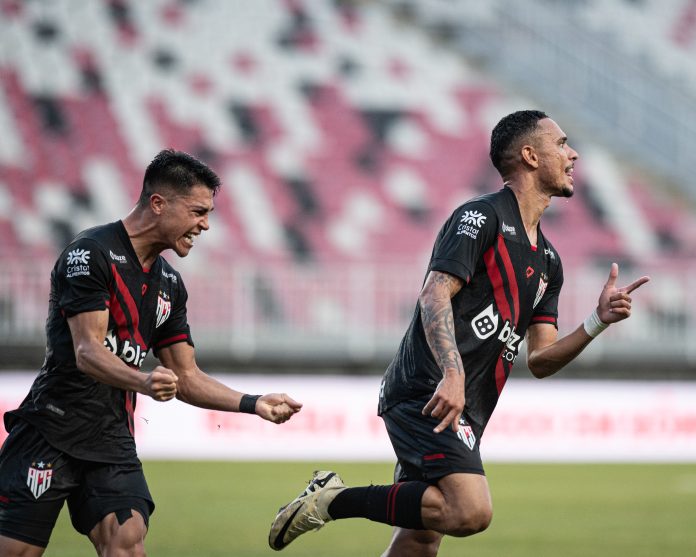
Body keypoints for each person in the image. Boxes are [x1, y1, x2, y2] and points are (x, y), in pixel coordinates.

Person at [268, 110, 650, 555]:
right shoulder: (480, 217)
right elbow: (434, 294)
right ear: (530, 155)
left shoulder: (548, 260)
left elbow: (540, 359)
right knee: (470, 511)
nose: (573, 153)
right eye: (561, 143)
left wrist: (596, 322)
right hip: (427, 391)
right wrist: (453, 373)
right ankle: (332, 501)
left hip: (465, 407)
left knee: (422, 538)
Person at [0, 149, 303, 557]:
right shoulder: (90, 254)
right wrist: (143, 379)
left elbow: (187, 376)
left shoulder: (169, 285)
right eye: (198, 211)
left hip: (111, 439)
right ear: (158, 204)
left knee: (128, 543)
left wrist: (254, 403)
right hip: (50, 430)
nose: (205, 225)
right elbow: (87, 351)